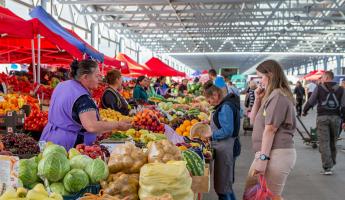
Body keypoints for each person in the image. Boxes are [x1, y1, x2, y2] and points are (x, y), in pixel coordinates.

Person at [40, 60, 131, 150]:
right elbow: (92, 126)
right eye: (97, 76)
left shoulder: (62, 85)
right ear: (85, 77)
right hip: (67, 145)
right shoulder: (82, 98)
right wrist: (118, 125)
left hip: (49, 138)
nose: (100, 79)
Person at [246, 60, 296, 200]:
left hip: (276, 154)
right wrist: (257, 99)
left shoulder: (278, 97)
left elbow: (271, 129)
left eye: (261, 77)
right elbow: (253, 121)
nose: (260, 82)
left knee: (267, 197)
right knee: (254, 195)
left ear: (271, 75)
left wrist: (263, 159)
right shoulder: (271, 96)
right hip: (269, 153)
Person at [203, 81, 241, 200]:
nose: (209, 104)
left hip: (226, 149)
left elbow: (227, 130)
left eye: (209, 101)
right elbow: (224, 123)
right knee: (226, 186)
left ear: (215, 95)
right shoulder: (227, 104)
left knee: (223, 189)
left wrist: (211, 134)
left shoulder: (225, 107)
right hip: (224, 149)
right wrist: (210, 122)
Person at [302, 71, 345, 175]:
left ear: (326, 77)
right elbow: (344, 106)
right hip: (336, 118)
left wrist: (305, 110)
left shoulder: (320, 88)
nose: (321, 79)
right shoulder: (341, 89)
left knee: (324, 142)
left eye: (322, 77)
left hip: (322, 118)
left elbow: (311, 101)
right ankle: (331, 163)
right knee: (332, 142)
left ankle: (327, 167)